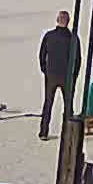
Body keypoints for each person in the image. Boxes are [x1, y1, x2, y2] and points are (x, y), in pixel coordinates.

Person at [38, 11, 80, 139]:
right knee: (68, 106)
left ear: (57, 20)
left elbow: (42, 54)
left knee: (48, 103)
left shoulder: (49, 36)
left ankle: (43, 131)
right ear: (68, 22)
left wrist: (45, 70)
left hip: (51, 75)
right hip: (67, 77)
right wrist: (74, 76)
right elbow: (78, 60)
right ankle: (67, 133)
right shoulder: (73, 38)